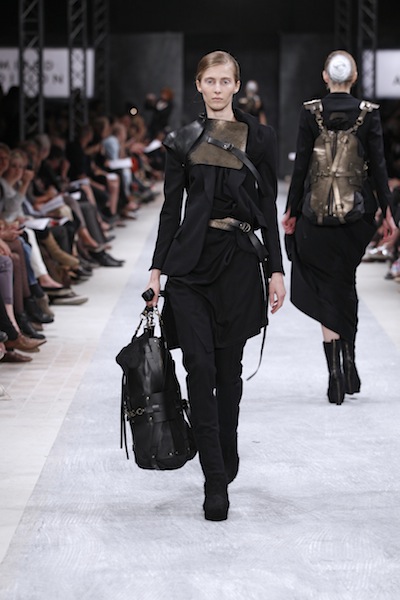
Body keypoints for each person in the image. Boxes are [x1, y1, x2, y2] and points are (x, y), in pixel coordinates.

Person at [143, 50, 285, 521]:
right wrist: (157, 268)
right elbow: (171, 210)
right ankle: (214, 479)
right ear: (199, 85)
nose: (219, 88)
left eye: (226, 81)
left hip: (239, 263)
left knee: (228, 374)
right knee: (200, 370)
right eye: (211, 81)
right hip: (190, 268)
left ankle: (227, 444)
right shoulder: (182, 140)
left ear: (237, 85)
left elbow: (268, 206)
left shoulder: (260, 138)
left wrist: (277, 269)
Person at [282, 50, 397, 406]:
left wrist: (291, 210)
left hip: (314, 217)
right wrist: (388, 213)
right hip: (355, 220)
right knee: (345, 285)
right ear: (355, 76)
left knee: (327, 289)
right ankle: (350, 362)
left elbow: (301, 166)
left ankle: (334, 374)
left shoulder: (310, 112)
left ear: (324, 76)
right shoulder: (369, 113)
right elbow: (379, 167)